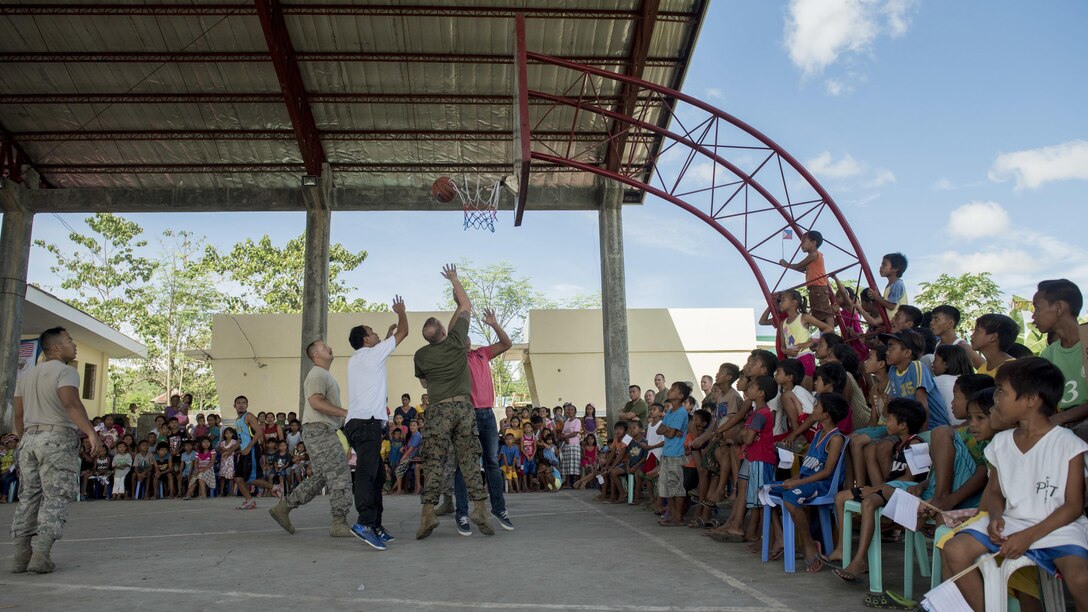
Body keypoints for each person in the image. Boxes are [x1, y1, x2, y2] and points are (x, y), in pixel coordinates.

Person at [941, 358, 1088, 610]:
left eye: (1002, 391)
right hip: (1012, 522)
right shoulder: (1001, 443)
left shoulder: (1068, 443)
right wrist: (996, 517)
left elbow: (1073, 507)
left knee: (1081, 578)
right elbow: (996, 492)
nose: (996, 398)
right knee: (955, 549)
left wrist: (1027, 536)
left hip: (1060, 526)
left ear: (1031, 399)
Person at [10, 327, 101, 574]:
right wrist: (91, 432)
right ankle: (41, 554)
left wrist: (23, 439)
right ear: (57, 347)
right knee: (55, 495)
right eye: (70, 340)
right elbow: (70, 403)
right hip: (57, 438)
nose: (74, 345)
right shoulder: (66, 372)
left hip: (29, 438)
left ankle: (20, 555)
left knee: (29, 496)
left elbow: (18, 414)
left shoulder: (26, 376)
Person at [413, 264, 494, 539]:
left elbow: (424, 383)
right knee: (470, 459)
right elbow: (466, 305)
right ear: (445, 333)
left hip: (437, 410)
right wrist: (454, 280)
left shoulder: (421, 355)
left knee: (434, 461)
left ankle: (427, 515)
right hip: (462, 408)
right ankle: (481, 510)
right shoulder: (458, 341)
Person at [341, 296, 409, 550]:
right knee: (368, 475)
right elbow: (405, 331)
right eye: (372, 332)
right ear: (365, 340)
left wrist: (385, 337)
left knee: (378, 475)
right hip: (366, 423)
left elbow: (386, 344)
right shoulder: (371, 355)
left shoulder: (361, 358)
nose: (376, 333)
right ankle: (364, 523)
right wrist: (401, 312)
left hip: (362, 423)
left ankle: (376, 524)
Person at [440, 307, 516, 534]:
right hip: (467, 416)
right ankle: (462, 514)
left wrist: (493, 324)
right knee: (465, 466)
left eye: (467, 336)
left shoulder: (482, 353)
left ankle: (499, 508)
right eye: (461, 337)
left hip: (488, 415)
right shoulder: (455, 358)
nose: (466, 339)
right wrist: (459, 302)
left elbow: (507, 343)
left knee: (492, 462)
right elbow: (453, 331)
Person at [766, 392, 848, 573]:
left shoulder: (836, 438)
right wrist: (794, 480)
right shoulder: (818, 434)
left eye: (817, 406)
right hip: (807, 481)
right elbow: (806, 469)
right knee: (767, 492)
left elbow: (827, 472)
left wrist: (796, 484)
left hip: (822, 485)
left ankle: (809, 545)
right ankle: (781, 538)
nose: (813, 409)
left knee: (789, 499)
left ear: (826, 414)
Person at [1032, 279, 1088, 441]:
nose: (1033, 316)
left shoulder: (1086, 343)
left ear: (1059, 307)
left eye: (1037, 308)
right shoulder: (1048, 355)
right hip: (1064, 422)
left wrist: (1060, 419)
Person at [779, 230, 835, 327]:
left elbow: (798, 266)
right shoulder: (815, 257)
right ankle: (827, 330)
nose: (801, 245)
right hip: (817, 288)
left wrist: (786, 264)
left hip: (817, 287)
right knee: (820, 312)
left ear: (813, 243)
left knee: (822, 312)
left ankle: (829, 330)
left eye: (804, 242)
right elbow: (802, 268)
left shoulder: (813, 255)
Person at [656, 382, 692, 526]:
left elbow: (669, 433)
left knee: (676, 487)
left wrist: (669, 430)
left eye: (673, 390)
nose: (669, 391)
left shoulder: (681, 412)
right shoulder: (670, 412)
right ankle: (671, 514)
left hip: (676, 454)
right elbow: (660, 430)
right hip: (667, 453)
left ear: (681, 396)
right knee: (666, 486)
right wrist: (669, 430)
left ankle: (678, 517)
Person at [232, 396, 275, 509]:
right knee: (238, 478)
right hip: (243, 452)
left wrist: (249, 447)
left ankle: (274, 487)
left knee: (250, 479)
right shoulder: (238, 420)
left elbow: (259, 432)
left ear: (247, 405)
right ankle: (249, 501)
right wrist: (230, 450)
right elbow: (240, 439)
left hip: (251, 450)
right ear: (234, 405)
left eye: (244, 403)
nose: (241, 405)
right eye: (239, 403)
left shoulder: (249, 416)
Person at [970, 313, 1019, 377]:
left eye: (977, 331)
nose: (972, 335)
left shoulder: (1012, 369)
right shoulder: (983, 369)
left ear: (993, 337)